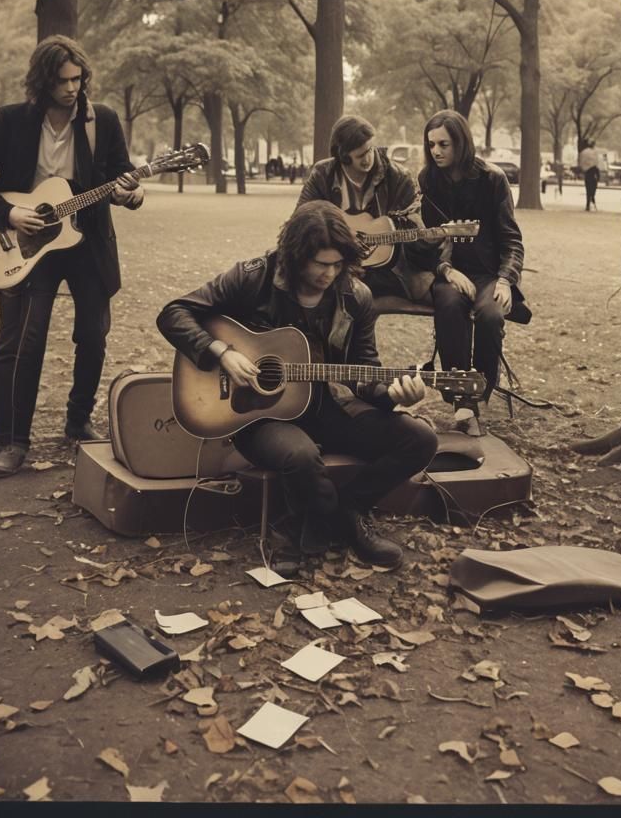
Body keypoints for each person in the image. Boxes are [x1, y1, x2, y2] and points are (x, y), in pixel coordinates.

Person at [156, 200, 437, 569]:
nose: (330, 273)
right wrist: (222, 353)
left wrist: (393, 395)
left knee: (420, 439)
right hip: (256, 412)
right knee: (301, 456)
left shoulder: (356, 297)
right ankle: (308, 525)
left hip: (326, 405)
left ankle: (348, 510)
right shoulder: (254, 277)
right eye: (321, 264)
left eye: (338, 264)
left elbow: (363, 370)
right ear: (296, 255)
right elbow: (173, 313)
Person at [0, 35, 144, 477]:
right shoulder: (13, 121)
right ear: (43, 82)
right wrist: (9, 213)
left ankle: (78, 420)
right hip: (28, 243)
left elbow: (121, 178)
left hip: (88, 242)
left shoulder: (104, 121)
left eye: (78, 79)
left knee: (93, 336)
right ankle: (12, 442)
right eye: (62, 80)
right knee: (24, 341)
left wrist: (131, 196)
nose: (72, 88)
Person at [418, 109, 529, 437]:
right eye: (432, 145)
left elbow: (512, 238)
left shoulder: (492, 179)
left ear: (461, 144)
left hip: (488, 273)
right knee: (450, 305)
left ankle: (479, 392)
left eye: (444, 144)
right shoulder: (427, 181)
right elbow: (422, 240)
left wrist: (507, 280)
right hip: (448, 272)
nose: (436, 151)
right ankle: (461, 401)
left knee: (491, 314)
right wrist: (445, 269)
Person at [296, 114, 437, 301]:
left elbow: (415, 229)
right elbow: (300, 220)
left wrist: (424, 234)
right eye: (360, 155)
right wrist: (340, 252)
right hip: (332, 263)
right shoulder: (323, 173)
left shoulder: (399, 177)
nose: (369, 158)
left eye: (370, 149)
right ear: (343, 156)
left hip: (387, 270)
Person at [579, 140, 600, 211]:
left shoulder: (583, 152)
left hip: (587, 173)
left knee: (588, 189)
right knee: (593, 189)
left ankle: (588, 204)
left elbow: (581, 163)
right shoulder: (595, 152)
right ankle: (592, 201)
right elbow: (597, 163)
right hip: (594, 172)